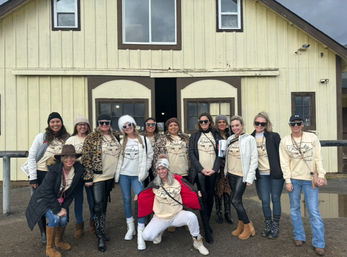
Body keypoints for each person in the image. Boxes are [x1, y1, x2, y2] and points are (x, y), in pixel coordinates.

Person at [138, 156, 209, 256]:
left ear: (168, 169)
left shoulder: (177, 181)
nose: (161, 171)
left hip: (177, 215)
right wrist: (139, 195)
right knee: (146, 236)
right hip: (161, 218)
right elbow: (145, 193)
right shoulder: (154, 184)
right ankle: (160, 230)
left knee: (192, 217)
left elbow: (189, 188)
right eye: (158, 169)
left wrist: (196, 192)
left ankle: (197, 242)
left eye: (163, 168)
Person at [26, 145, 85, 257]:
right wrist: (58, 208)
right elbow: (47, 192)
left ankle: (58, 241)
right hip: (44, 199)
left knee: (63, 220)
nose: (69, 159)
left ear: (75, 158)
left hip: (60, 200)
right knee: (55, 217)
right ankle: (49, 247)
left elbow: (71, 194)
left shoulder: (78, 171)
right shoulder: (54, 170)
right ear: (62, 158)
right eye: (66, 157)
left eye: (72, 156)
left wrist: (64, 207)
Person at [279, 114, 326, 256]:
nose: (296, 126)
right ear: (289, 125)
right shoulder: (285, 141)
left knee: (313, 211)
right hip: (294, 179)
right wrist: (287, 180)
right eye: (293, 124)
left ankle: (319, 243)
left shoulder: (312, 138)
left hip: (310, 179)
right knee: (294, 209)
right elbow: (284, 162)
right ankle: (299, 236)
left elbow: (318, 158)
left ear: (303, 124)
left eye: (298, 123)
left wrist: (322, 175)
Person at [25, 112, 69, 244]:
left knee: (56, 202)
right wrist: (33, 178)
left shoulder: (66, 138)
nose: (55, 124)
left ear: (61, 123)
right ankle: (44, 232)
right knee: (40, 204)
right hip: (40, 173)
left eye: (58, 121)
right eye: (52, 122)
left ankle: (56, 234)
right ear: (49, 124)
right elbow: (32, 156)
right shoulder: (42, 137)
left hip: (56, 176)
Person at [81, 114, 121, 252]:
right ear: (98, 124)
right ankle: (99, 236)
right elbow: (86, 158)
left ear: (110, 123)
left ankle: (102, 230)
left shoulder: (116, 136)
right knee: (98, 205)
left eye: (107, 122)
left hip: (111, 176)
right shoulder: (91, 137)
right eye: (101, 122)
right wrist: (88, 177)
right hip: (98, 176)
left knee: (104, 204)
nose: (104, 125)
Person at [115, 115, 154, 250]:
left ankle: (141, 231)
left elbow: (150, 156)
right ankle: (130, 228)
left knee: (140, 200)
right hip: (124, 174)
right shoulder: (121, 142)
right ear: (122, 129)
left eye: (129, 125)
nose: (128, 128)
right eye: (124, 126)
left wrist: (146, 170)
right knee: (126, 200)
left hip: (138, 176)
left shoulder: (143, 139)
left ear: (133, 124)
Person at [251, 112, 284, 239]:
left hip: (275, 174)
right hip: (261, 175)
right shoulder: (250, 138)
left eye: (262, 123)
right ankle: (268, 224)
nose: (259, 125)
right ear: (254, 123)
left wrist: (284, 173)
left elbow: (282, 155)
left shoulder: (274, 137)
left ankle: (275, 225)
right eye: (257, 123)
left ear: (266, 124)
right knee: (265, 201)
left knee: (275, 199)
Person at [189, 112, 220, 243]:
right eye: (201, 122)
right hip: (201, 173)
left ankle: (206, 222)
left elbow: (221, 154)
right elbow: (191, 153)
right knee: (203, 198)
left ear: (210, 122)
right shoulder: (195, 136)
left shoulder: (216, 136)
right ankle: (206, 230)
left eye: (205, 121)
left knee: (210, 197)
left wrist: (215, 169)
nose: (203, 124)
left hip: (213, 172)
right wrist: (201, 169)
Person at [224, 115, 258, 240]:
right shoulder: (230, 139)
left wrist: (250, 177)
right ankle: (241, 225)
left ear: (242, 126)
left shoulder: (249, 139)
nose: (235, 128)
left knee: (235, 200)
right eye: (232, 126)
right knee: (238, 201)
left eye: (237, 125)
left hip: (241, 175)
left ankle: (249, 226)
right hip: (231, 173)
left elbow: (254, 159)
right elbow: (226, 156)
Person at [65, 116, 94, 238]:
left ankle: (93, 223)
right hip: (75, 173)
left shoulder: (92, 138)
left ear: (88, 126)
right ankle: (79, 224)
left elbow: (96, 155)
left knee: (92, 200)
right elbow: (66, 157)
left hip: (89, 173)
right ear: (76, 127)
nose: (82, 126)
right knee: (78, 200)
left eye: (85, 124)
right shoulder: (71, 140)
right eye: (79, 124)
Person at [214, 115, 233, 224]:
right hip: (218, 166)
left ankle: (228, 213)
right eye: (219, 122)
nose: (222, 124)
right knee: (218, 189)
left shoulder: (230, 134)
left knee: (228, 189)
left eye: (224, 122)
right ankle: (219, 212)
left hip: (229, 165)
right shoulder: (214, 134)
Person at [142, 117, 161, 186]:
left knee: (156, 184)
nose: (150, 126)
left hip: (157, 165)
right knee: (144, 185)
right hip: (144, 164)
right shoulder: (140, 137)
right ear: (145, 126)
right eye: (148, 124)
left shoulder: (160, 137)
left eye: (153, 124)